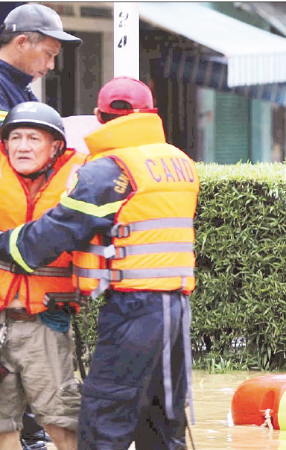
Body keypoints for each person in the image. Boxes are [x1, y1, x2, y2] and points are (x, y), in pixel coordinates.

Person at [0, 76, 198, 449]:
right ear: (152, 113)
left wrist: (6, 244)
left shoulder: (110, 170)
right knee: (163, 419)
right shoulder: (179, 162)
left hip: (133, 309)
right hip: (176, 308)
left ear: (98, 117)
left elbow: (46, 240)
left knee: (103, 419)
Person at [0, 102, 85, 450]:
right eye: (15, 137)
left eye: (33, 138)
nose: (22, 146)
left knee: (62, 422)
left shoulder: (80, 181)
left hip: (47, 322)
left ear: (55, 147)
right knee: (1, 424)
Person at [0, 3, 81, 123]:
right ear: (21, 43)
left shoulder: (19, 85)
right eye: (48, 54)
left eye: (54, 57)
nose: (51, 65)